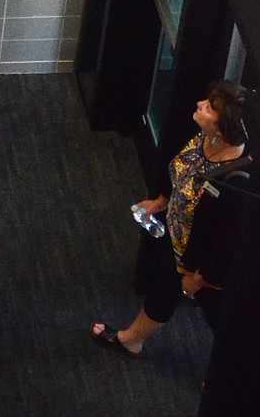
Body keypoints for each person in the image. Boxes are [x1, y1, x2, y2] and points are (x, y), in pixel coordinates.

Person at [92, 80, 253, 356]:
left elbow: (227, 242)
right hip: (179, 242)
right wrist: (162, 201)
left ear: (223, 128)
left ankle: (232, 377)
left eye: (209, 108)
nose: (200, 105)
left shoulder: (235, 182)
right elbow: (182, 175)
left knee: (224, 320)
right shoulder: (204, 138)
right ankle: (131, 340)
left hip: (203, 263)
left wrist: (199, 277)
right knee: (163, 292)